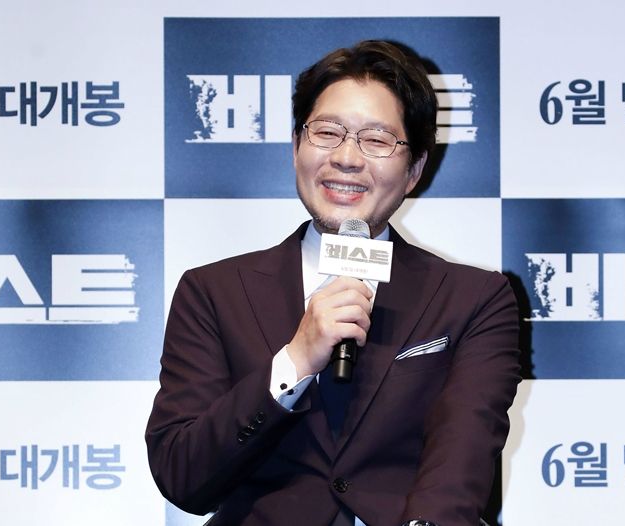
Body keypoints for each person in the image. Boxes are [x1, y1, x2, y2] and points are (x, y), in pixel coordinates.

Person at [146, 40, 520, 526]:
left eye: (377, 140)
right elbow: (182, 475)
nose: (346, 157)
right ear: (296, 147)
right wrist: (295, 360)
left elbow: (459, 466)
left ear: (414, 170)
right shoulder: (213, 292)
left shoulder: (473, 300)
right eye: (327, 132)